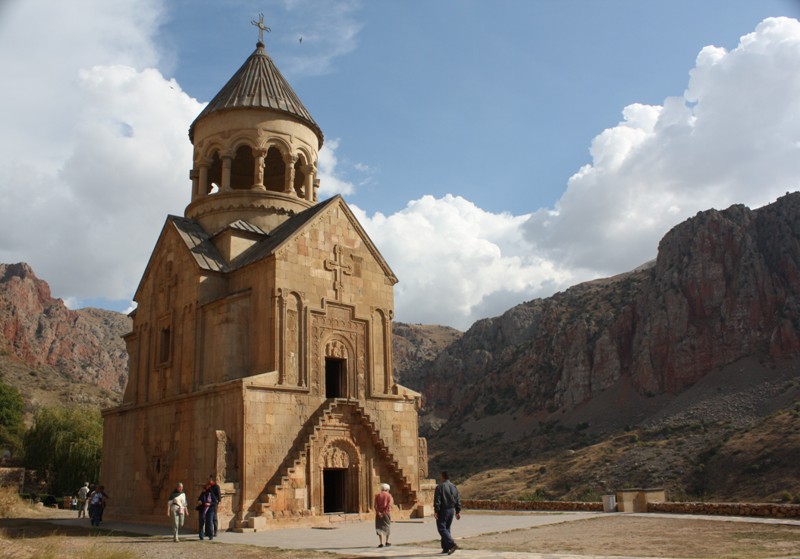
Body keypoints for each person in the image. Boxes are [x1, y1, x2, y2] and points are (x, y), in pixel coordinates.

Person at [434, 471, 461, 555]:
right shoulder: (454, 486)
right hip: (451, 510)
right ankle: (445, 548)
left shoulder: (440, 487)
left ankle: (452, 544)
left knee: (441, 528)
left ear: (443, 476)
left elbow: (437, 500)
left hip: (443, 510)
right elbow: (457, 499)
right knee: (447, 528)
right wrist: (458, 511)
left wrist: (436, 511)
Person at [373, 483, 394, 548]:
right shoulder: (389, 495)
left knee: (379, 527)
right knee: (387, 526)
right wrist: (384, 513)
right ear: (387, 489)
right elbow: (389, 505)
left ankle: (381, 542)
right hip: (386, 514)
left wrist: (378, 512)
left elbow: (375, 505)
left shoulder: (377, 495)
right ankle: (387, 541)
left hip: (378, 514)